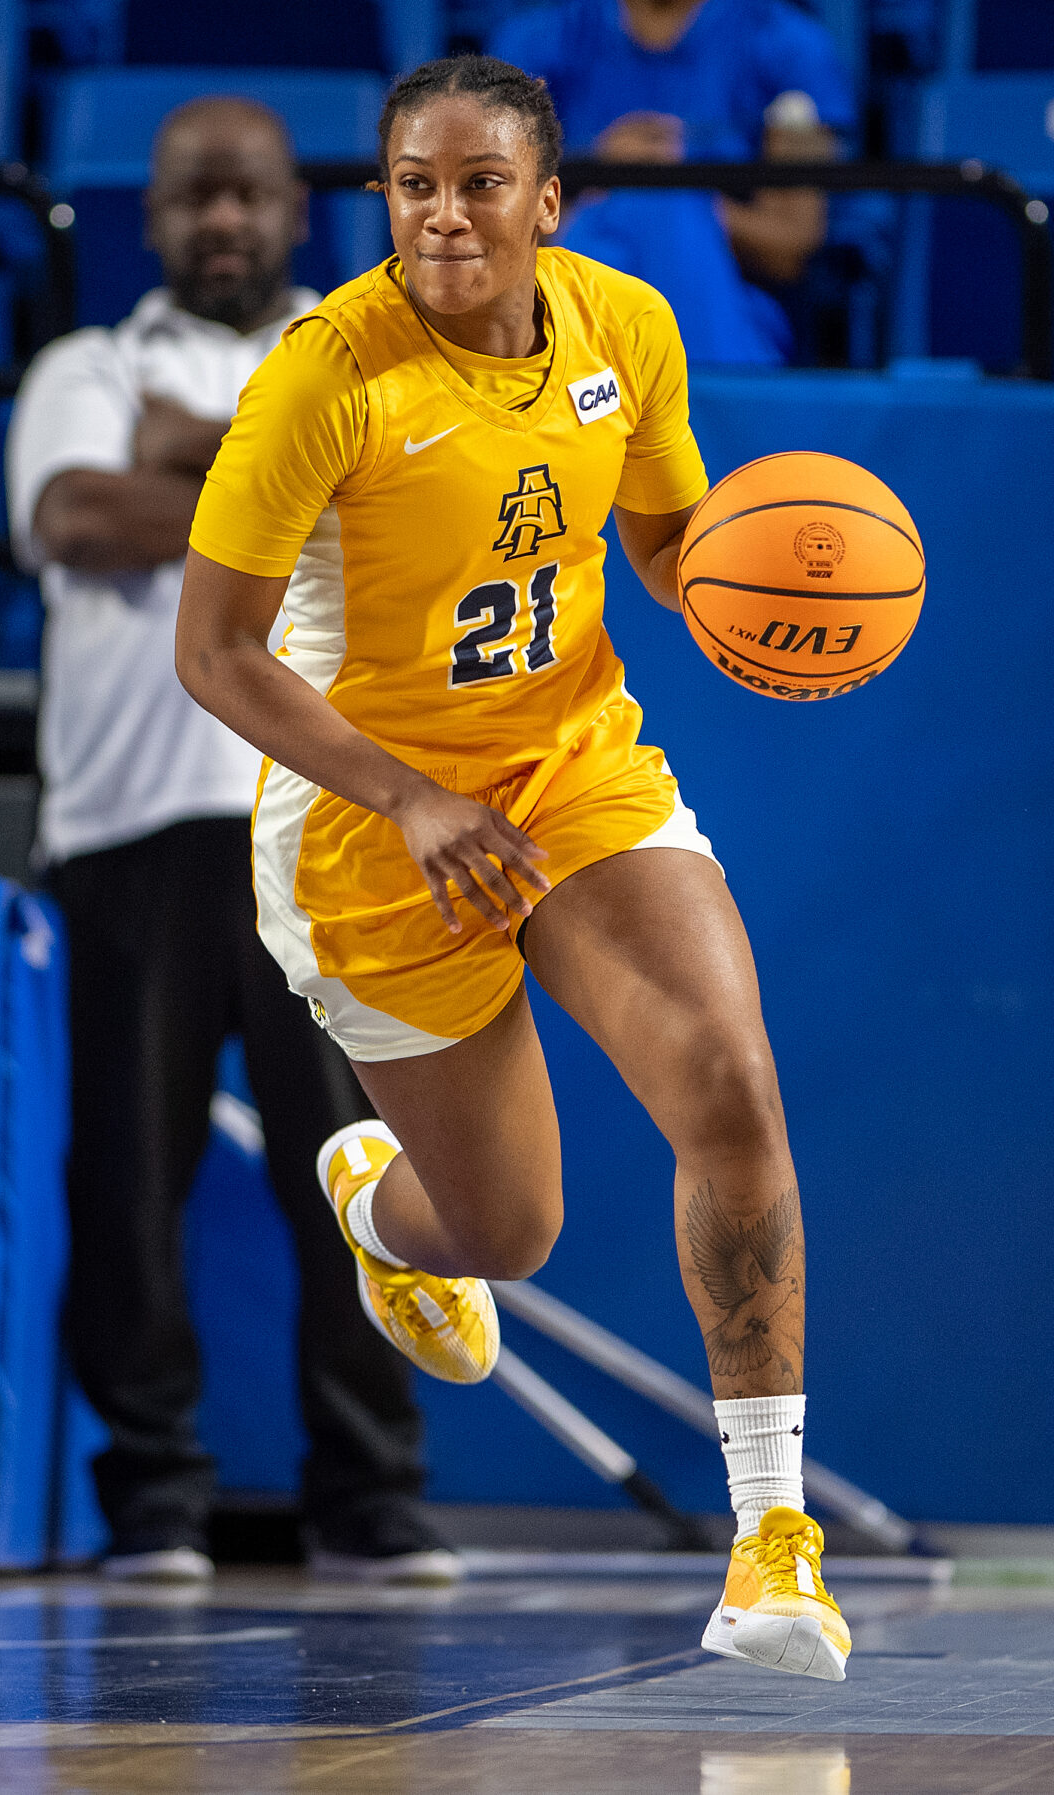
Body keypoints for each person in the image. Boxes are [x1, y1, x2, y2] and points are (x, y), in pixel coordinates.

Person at [174, 55, 850, 1682]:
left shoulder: (627, 328)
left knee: (730, 1085)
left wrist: (760, 603)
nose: (445, 216)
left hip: (571, 771)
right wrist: (410, 798)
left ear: (550, 201)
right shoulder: (325, 375)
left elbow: (670, 542)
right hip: (370, 826)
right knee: (506, 1231)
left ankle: (773, 1536)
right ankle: (381, 1205)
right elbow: (214, 650)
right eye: (415, 185)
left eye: (481, 184)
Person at [6, 97, 456, 1588]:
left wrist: (191, 456)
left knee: (363, 1172)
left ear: (294, 211)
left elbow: (405, 517)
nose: (221, 221)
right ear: (150, 217)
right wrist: (292, 479)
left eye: (246, 195)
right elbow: (81, 516)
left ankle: (372, 1493)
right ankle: (155, 1498)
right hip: (129, 829)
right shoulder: (85, 367)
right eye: (193, 197)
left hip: (332, 829)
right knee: (129, 1186)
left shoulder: (374, 352)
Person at [487, 0, 856, 365]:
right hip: (576, 260)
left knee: (664, 214)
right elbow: (494, 234)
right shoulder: (536, 44)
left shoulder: (787, 45)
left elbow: (790, 245)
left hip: (726, 315)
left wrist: (679, 199)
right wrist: (601, 178)